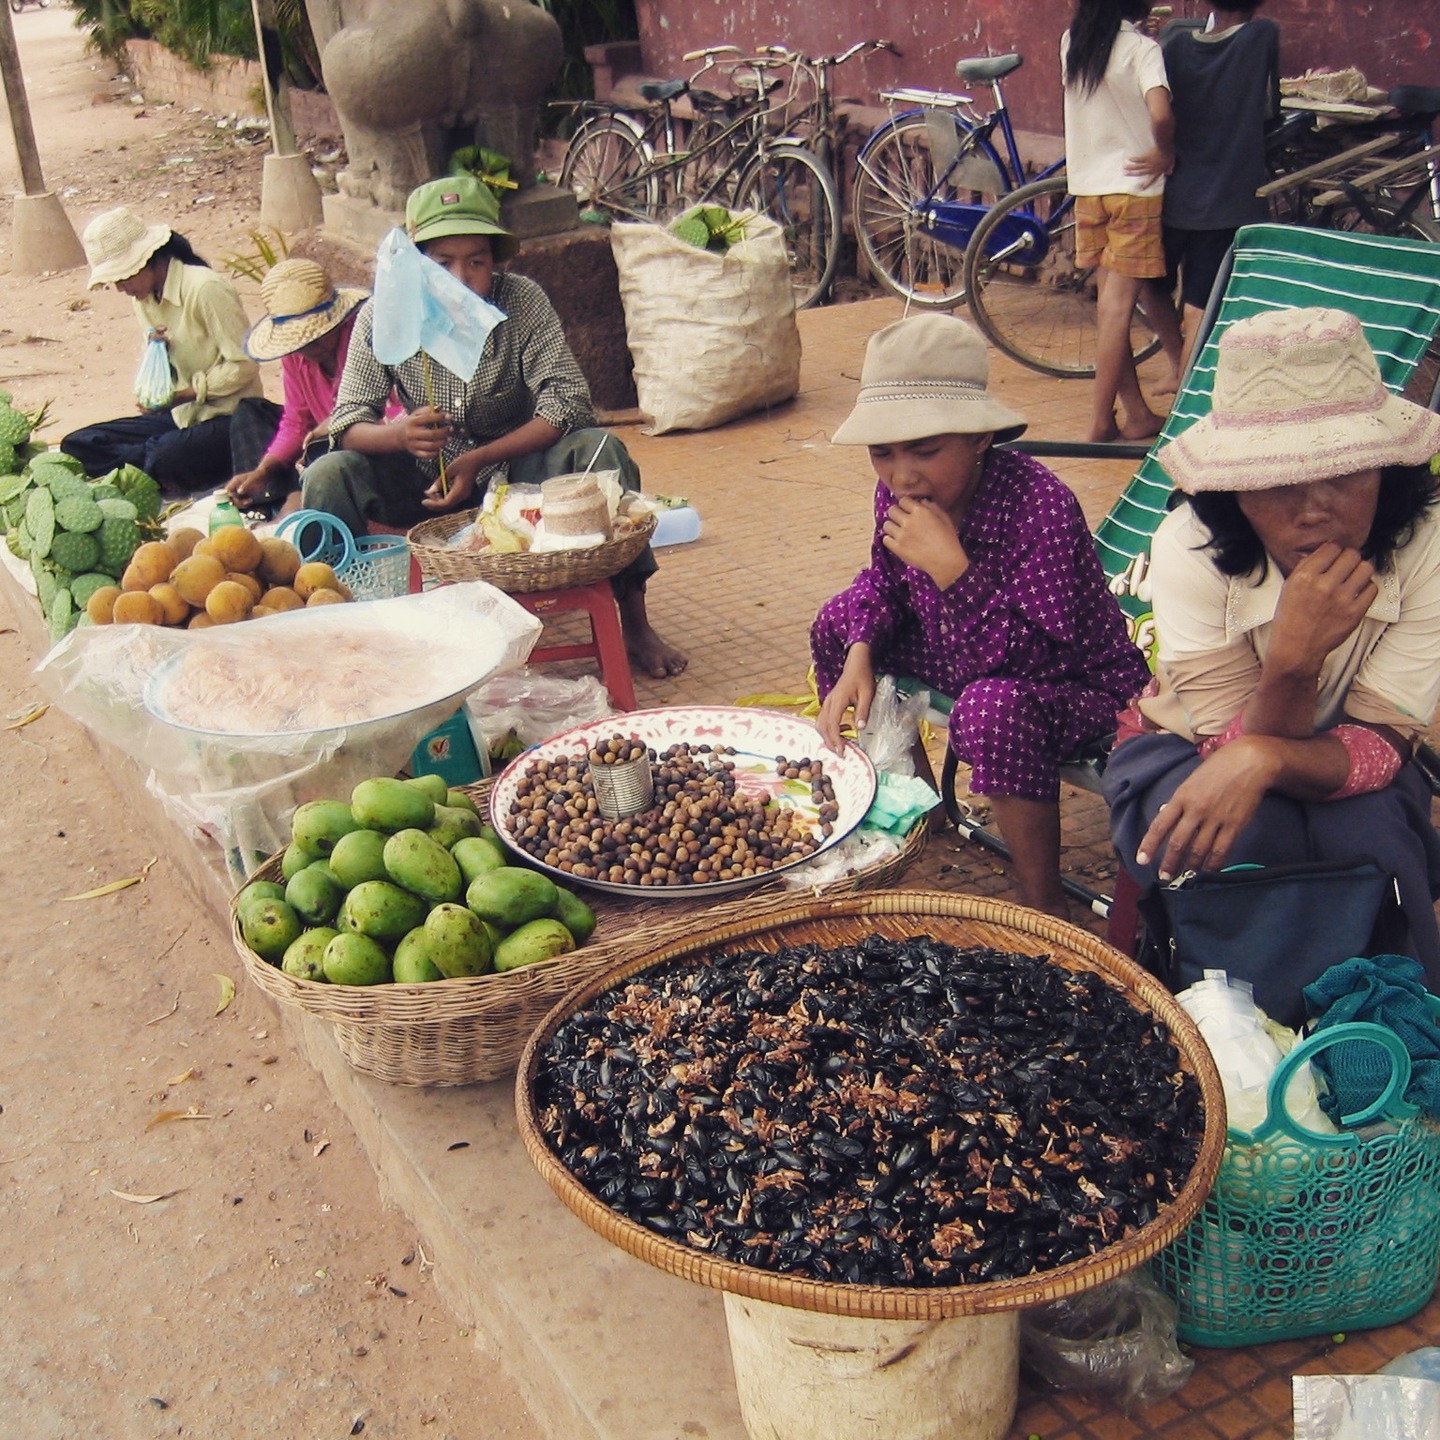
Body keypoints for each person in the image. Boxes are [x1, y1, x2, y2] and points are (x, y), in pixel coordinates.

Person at [1104, 306, 1440, 991]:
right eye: (1278, 481)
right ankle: (1223, 1011)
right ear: (1235, 488)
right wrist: (1293, 659)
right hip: (1188, 745)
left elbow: (1382, 741)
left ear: (1385, 469)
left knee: (1371, 837)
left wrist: (1261, 754)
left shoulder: (1427, 546)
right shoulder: (1188, 546)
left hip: (1350, 754)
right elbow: (1219, 749)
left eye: (1346, 474)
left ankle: (1375, 1018)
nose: (1314, 508)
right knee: (1244, 834)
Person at [812, 314, 1150, 917]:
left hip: (1075, 686)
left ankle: (1044, 904)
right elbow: (882, 585)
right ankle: (925, 803)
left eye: (925, 450)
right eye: (882, 453)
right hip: (963, 655)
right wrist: (858, 653)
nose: (902, 474)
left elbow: (1037, 659)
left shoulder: (1039, 505)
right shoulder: (897, 492)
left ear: (980, 438)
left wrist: (954, 572)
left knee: (991, 709)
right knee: (840, 619)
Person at [303, 175, 686, 679]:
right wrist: (400, 435)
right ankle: (335, 632)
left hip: (517, 475)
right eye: (442, 264)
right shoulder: (385, 313)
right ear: (417, 265)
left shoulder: (521, 300)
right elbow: (349, 418)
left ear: (495, 263)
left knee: (599, 451)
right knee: (329, 472)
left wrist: (479, 458)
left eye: (476, 262)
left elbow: (567, 402)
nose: (461, 278)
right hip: (424, 478)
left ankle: (633, 621)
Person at [60, 207, 264, 493]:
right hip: (181, 417)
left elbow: (245, 363)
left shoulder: (205, 289)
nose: (120, 288)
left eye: (123, 278)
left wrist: (187, 394)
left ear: (149, 260)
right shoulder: (143, 299)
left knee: (164, 455)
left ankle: (151, 464)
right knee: (78, 445)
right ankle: (150, 464)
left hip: (230, 419)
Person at [1062, 0, 1185, 442]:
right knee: (1116, 311)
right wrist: (1165, 153)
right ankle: (1098, 420)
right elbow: (1161, 113)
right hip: (1134, 190)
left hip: (1089, 189)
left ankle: (1135, 413)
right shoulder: (1143, 50)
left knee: (1107, 309)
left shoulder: (1073, 43)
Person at [1162, 4, 1280, 374]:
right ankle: (1185, 389)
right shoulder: (1261, 37)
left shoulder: (1175, 47)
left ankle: (1176, 365)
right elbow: (1270, 108)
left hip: (1172, 196)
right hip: (1226, 199)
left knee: (1154, 286)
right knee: (1201, 303)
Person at [224, 258, 371, 518]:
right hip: (318, 448)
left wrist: (339, 422)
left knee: (324, 463)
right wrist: (263, 471)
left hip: (366, 451)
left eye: (316, 338)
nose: (307, 348)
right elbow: (296, 422)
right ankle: (280, 499)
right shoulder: (295, 354)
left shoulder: (364, 337)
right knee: (249, 413)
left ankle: (295, 501)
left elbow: (397, 414)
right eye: (301, 343)